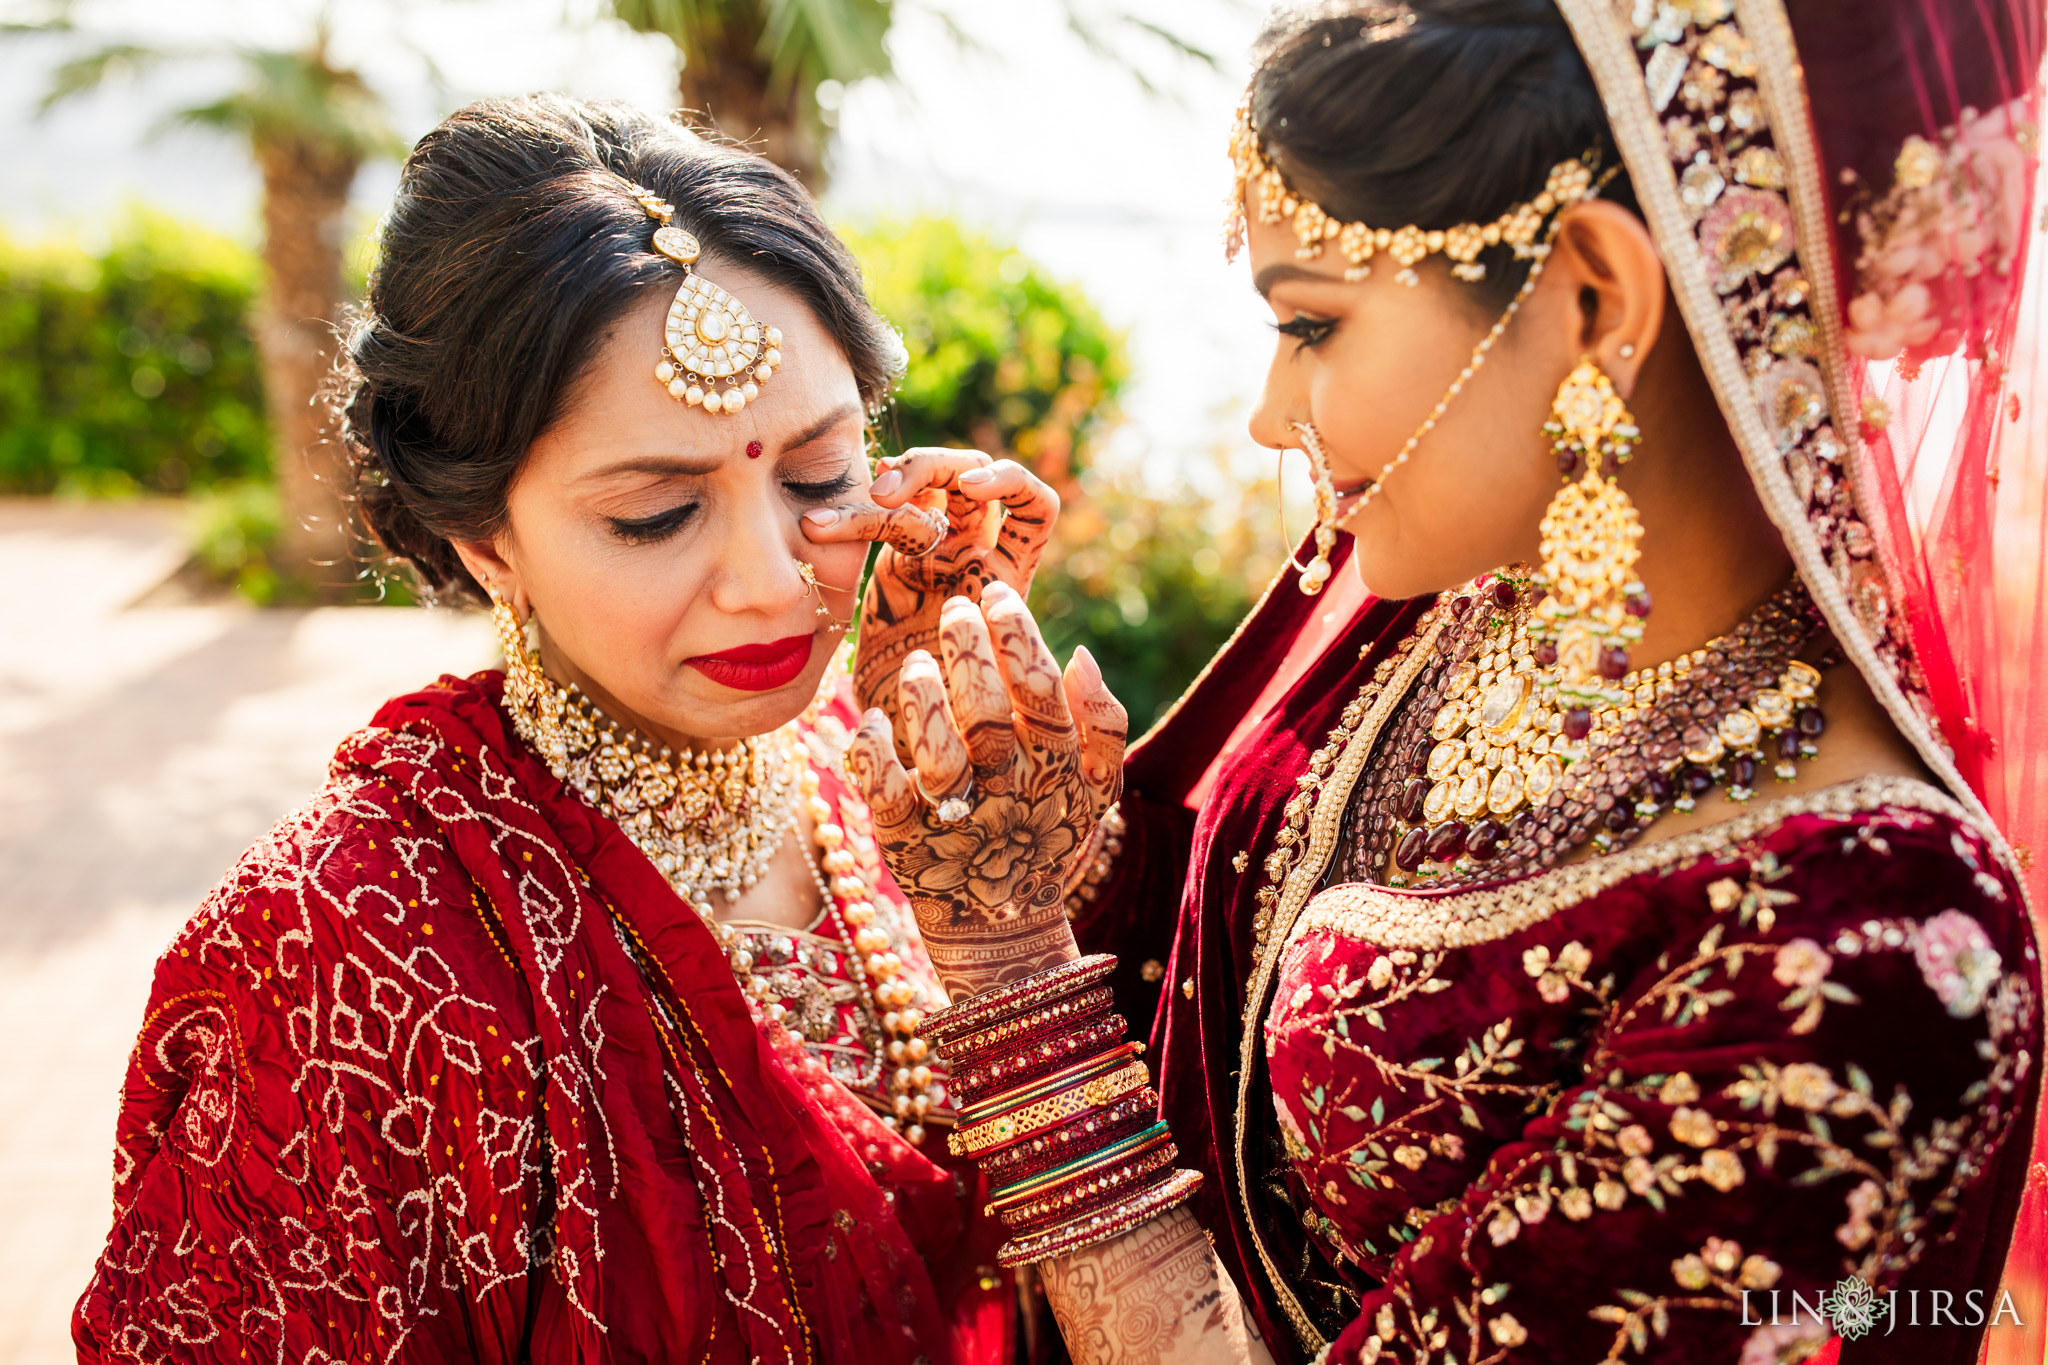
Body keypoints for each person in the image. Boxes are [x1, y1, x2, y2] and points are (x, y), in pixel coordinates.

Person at [834, 2, 2048, 1363]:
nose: (1266, 414)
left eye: (1310, 323)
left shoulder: (1860, 943)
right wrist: (980, 730)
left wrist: (1011, 973)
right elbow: (1203, 974)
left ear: (1593, 296)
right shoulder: (1466, 601)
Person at [69, 93, 1109, 1363]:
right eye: (656, 516)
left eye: (820, 477)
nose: (775, 582)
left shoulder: (885, 771)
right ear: (485, 538)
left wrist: (986, 779)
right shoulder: (347, 945)